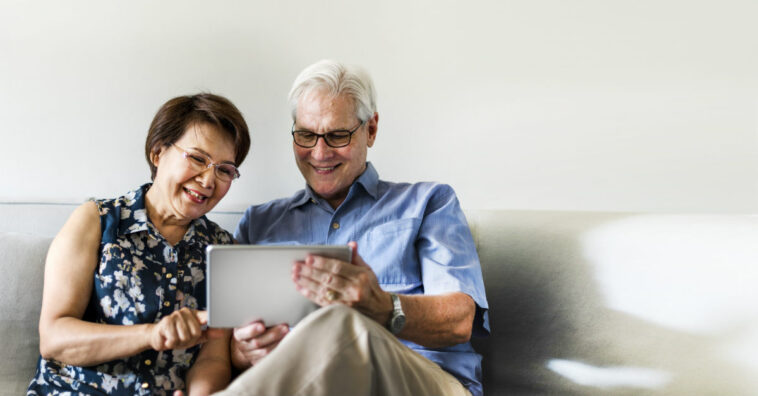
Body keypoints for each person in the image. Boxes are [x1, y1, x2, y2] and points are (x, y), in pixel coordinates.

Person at [223, 60, 489, 396]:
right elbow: (228, 345)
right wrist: (242, 353)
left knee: (341, 321)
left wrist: (384, 307)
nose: (319, 153)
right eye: (306, 135)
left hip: (425, 383)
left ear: (371, 129)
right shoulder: (257, 224)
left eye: (337, 135)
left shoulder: (428, 203)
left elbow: (460, 321)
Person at [27, 93, 251, 395]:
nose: (209, 180)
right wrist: (151, 334)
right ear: (158, 153)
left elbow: (212, 358)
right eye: (198, 158)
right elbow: (54, 338)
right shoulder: (96, 221)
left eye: (224, 170)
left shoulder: (224, 249)